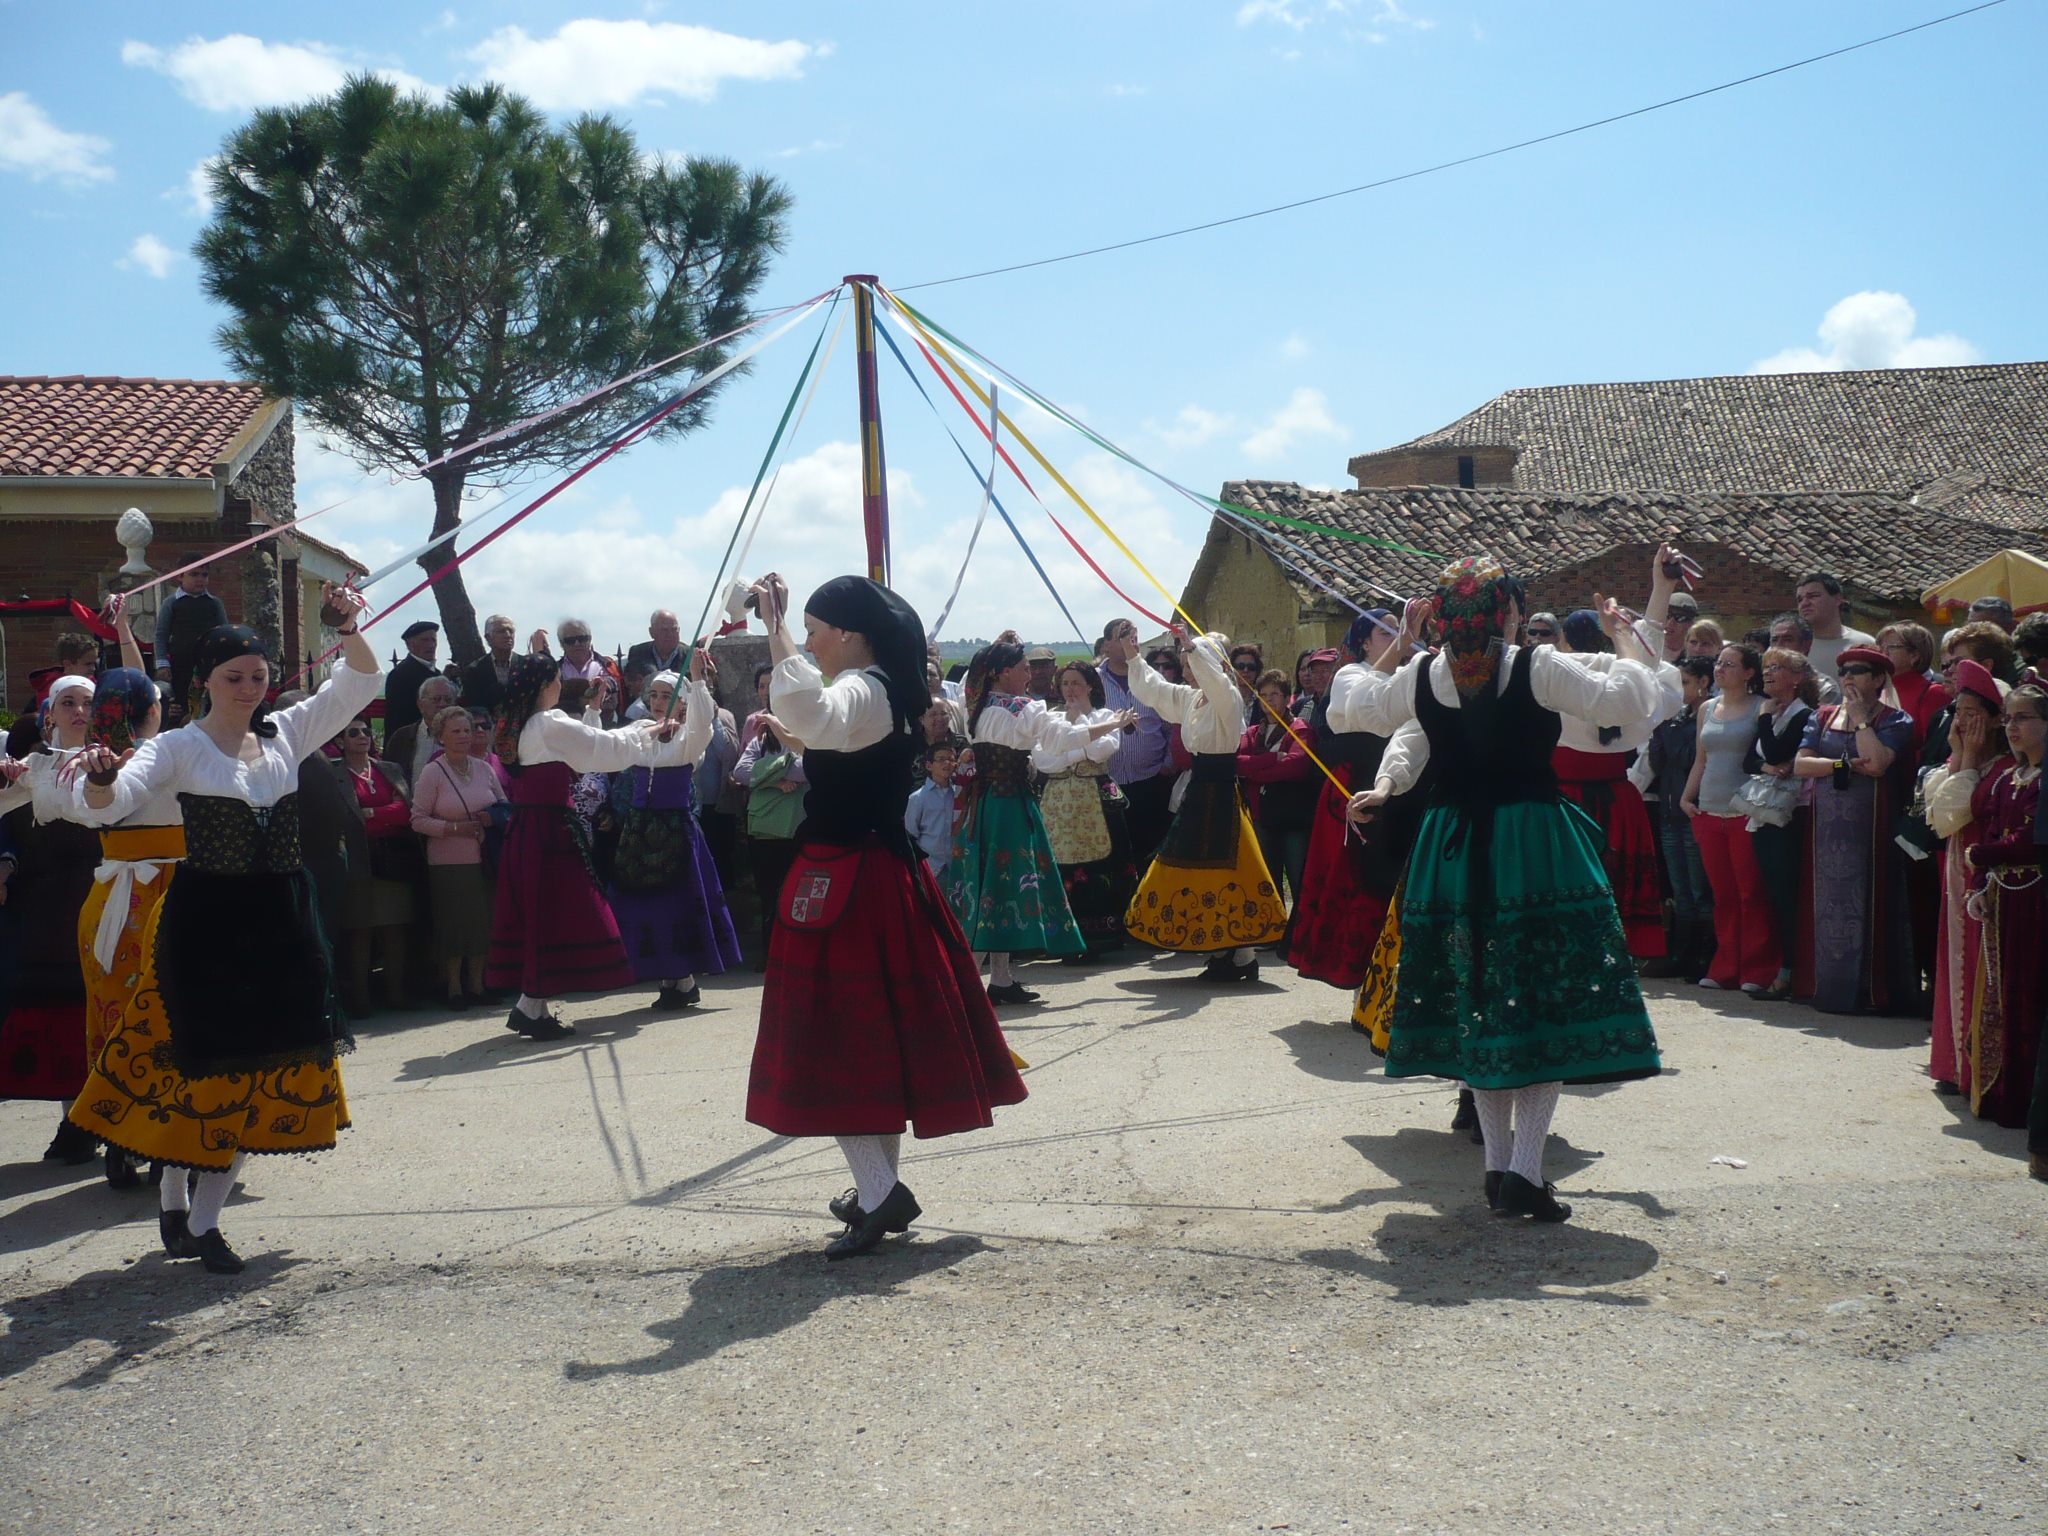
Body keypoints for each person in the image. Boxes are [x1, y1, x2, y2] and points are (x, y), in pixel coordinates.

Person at [1329, 558, 1664, 1222]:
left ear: (1442, 618)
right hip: (1530, 844)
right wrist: (1626, 639)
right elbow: (1629, 701)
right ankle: (1523, 1172)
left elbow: (1350, 704)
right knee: (1539, 1000)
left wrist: (1404, 640)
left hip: (1451, 849)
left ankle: (1500, 1171)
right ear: (1508, 612)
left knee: (1478, 996)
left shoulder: (1423, 674)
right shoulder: (1537, 666)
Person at [65, 595, 382, 1273]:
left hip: (282, 922)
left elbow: (361, 681)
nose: (248, 687)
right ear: (204, 680)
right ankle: (178, 1204)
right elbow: (115, 800)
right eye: (234, 676)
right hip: (208, 924)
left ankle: (199, 1219)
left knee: (262, 1075)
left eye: (257, 675)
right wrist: (101, 781)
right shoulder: (177, 746)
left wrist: (348, 626)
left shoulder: (287, 731)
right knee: (203, 1072)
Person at [746, 572, 1028, 1260]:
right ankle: (877, 1189)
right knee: (875, 1041)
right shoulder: (886, 691)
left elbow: (815, 714)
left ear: (848, 634)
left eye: (816, 632)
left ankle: (879, 1193)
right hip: (880, 875)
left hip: (848, 881)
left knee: (835, 1039)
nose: (810, 643)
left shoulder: (864, 689)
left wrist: (775, 629)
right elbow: (825, 732)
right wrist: (777, 633)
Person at [487, 651, 703, 1039]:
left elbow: (585, 750)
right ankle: (531, 1005)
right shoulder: (546, 723)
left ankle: (531, 1004)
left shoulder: (514, 724)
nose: (560, 685)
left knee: (543, 913)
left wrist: (594, 712)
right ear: (544, 686)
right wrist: (648, 730)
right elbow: (601, 750)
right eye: (556, 679)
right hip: (550, 832)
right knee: (566, 911)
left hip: (527, 830)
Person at [947, 637, 1131, 1002]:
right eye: (1023, 668)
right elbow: (1063, 737)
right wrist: (1111, 724)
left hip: (986, 804)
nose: (1030, 674)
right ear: (1004, 672)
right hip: (1010, 805)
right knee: (1000, 885)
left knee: (992, 883)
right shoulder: (1022, 707)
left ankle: (1000, 979)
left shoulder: (977, 705)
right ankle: (965, 986)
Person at [60, 669, 176, 1188]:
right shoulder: (175, 755)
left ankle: (119, 1138)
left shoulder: (85, 765)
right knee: (171, 1016)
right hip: (167, 893)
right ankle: (167, 1137)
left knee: (114, 1017)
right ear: (152, 710)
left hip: (109, 899)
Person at [1125, 629, 1288, 983]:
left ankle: (1237, 954)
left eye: (1192, 663)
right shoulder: (1192, 698)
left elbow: (1215, 679)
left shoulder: (1226, 694)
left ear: (1213, 664)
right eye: (1185, 664)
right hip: (1200, 791)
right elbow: (1155, 690)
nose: (1186, 671)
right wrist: (1132, 655)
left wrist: (1192, 647)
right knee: (1199, 868)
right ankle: (1230, 953)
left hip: (1221, 793)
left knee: (1226, 870)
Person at [1548, 558, 1685, 963]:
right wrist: (1660, 591)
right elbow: (1645, 667)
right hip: (1617, 801)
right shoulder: (1635, 682)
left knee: (1564, 891)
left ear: (1564, 641)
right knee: (1616, 890)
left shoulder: (1551, 677)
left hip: (1562, 803)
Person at [1290, 611, 1425, 991]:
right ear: (1364, 641)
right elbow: (1364, 705)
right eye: (1385, 632)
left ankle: (1385, 977)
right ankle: (1352, 973)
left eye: (1399, 630)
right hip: (1351, 787)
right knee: (1349, 877)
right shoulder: (1350, 674)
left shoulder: (1410, 674)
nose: (1396, 636)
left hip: (1397, 783)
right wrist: (1401, 645)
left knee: (1389, 880)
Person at [0, 675, 102, 1161]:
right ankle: (75, 1121)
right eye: (69, 703)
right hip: (51, 909)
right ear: (50, 715)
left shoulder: (114, 761)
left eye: (88, 703)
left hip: (105, 897)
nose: (79, 711)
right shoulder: (36, 767)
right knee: (64, 1016)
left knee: (107, 1011)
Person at [606, 667, 740, 1011]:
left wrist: (697, 679)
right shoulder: (640, 729)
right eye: (654, 695)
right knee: (644, 906)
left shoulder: (689, 738)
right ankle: (675, 980)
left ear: (682, 703)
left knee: (675, 906)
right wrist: (592, 710)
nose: (658, 701)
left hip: (675, 832)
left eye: (667, 696)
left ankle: (680, 978)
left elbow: (703, 721)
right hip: (639, 831)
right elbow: (609, 746)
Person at [1794, 645, 1917, 1014]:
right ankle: (1824, 986)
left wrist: (1862, 720)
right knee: (1824, 901)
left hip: (1872, 827)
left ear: (1878, 679)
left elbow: (1877, 764)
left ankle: (1869, 991)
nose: (1847, 677)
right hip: (1825, 829)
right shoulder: (1823, 715)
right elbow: (1801, 765)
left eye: (1858, 670)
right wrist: (1842, 765)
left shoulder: (1895, 720)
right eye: (1843, 670)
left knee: (1872, 898)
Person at [1961, 683, 2047, 1130]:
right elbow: (1993, 829)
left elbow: (2030, 840)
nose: (2013, 727)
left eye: (2025, 718)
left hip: (2036, 900)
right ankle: (2001, 1094)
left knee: (2030, 994)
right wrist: (1978, 887)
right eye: (2009, 718)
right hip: (2003, 899)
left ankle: (2028, 1101)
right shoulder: (2008, 778)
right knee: (2001, 994)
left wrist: (1981, 856)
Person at [1922, 660, 2006, 1095]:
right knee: (1955, 960)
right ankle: (1954, 1065)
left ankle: (1978, 1071)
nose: (1962, 722)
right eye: (1958, 712)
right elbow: (1938, 817)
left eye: (1973, 714)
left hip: (1988, 881)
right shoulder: (1960, 762)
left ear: (1995, 720)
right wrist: (1962, 757)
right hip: (1956, 875)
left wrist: (1968, 759)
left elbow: (1956, 811)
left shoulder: (2003, 767)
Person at [1682, 645, 1780, 995]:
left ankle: (1758, 970)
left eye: (1729, 664)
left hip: (1745, 812)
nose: (1720, 669)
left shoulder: (1761, 706)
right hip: (1707, 811)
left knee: (1751, 894)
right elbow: (1701, 759)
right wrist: (1686, 797)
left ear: (1750, 672)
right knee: (1722, 896)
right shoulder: (1706, 708)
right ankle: (1724, 968)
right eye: (1718, 663)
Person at [1034, 661, 1138, 959]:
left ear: (1090, 685)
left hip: (1095, 800)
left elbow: (1101, 751)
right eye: (1065, 683)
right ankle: (1060, 938)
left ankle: (1100, 936)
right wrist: (1077, 746)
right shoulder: (1050, 719)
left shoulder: (1104, 716)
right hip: (1058, 802)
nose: (1070, 689)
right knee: (1058, 862)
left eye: (1076, 683)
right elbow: (1043, 760)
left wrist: (1075, 730)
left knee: (1100, 864)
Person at [409, 704, 508, 1008]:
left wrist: (491, 818)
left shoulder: (485, 768)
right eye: (456, 731)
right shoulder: (432, 772)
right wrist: (454, 828)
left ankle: (478, 985)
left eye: (468, 729)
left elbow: (505, 807)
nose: (465, 735)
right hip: (448, 863)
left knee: (482, 922)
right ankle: (453, 987)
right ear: (441, 737)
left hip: (485, 859)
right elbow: (417, 820)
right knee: (454, 924)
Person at [1747, 648, 1821, 1001]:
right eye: (1766, 667)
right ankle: (1783, 968)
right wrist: (1766, 766)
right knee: (1773, 894)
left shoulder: (1802, 715)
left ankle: (1792, 972)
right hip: (1764, 811)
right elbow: (1750, 760)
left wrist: (1763, 719)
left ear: (1797, 677)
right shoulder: (1774, 712)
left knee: (1787, 895)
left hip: (1791, 815)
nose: (1768, 673)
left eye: (1776, 667)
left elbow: (1777, 751)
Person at [333, 714, 416, 1015]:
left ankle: (396, 995)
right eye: (353, 732)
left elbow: (405, 811)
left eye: (366, 731)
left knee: (395, 929)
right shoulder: (333, 773)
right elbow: (345, 818)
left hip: (392, 860)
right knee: (360, 932)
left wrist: (370, 813)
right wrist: (382, 813)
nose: (362, 736)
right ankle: (360, 999)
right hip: (357, 861)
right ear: (340, 742)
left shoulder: (389, 769)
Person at [1644, 656, 1715, 980]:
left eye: (1683, 683)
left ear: (1703, 682)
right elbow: (1658, 760)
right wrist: (1662, 723)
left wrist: (1669, 729)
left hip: (1693, 811)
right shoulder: (1674, 719)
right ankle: (1681, 954)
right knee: (1680, 890)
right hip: (1669, 812)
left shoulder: (1707, 716)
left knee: (1700, 891)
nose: (1677, 690)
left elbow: (1688, 758)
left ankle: (1704, 956)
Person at [1099, 617, 1177, 867]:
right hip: (1109, 783)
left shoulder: (1152, 679)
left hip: (1151, 781)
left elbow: (1170, 725)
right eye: (1122, 637)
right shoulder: (1093, 681)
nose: (1130, 643)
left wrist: (1167, 764)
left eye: (1133, 638)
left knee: (1151, 852)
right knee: (1116, 854)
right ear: (1106, 645)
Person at [1237, 668, 1315, 914]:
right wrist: (1272, 758)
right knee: (1267, 880)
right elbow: (1237, 763)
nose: (1268, 700)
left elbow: (1296, 765)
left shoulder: (1300, 729)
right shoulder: (1253, 732)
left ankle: (1299, 930)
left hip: (1292, 817)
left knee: (1298, 877)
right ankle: (1274, 926)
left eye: (1274, 694)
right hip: (1262, 815)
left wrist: (1255, 773)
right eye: (1263, 694)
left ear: (1286, 697)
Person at [734, 717, 806, 964]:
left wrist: (763, 775)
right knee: (768, 895)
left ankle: (795, 953)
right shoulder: (760, 743)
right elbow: (740, 772)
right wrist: (777, 781)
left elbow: (806, 770)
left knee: (795, 895)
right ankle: (771, 954)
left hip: (795, 830)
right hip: (764, 831)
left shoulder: (806, 741)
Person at [152, 565, 228, 722]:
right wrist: (162, 663)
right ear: (180, 576)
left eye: (204, 575)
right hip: (180, 665)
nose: (200, 579)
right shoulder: (172, 603)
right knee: (180, 706)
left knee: (207, 704)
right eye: (194, 574)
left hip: (208, 665)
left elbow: (224, 633)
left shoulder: (214, 603)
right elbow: (161, 635)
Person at [1794, 572, 1875, 685]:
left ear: (1837, 599)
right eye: (1800, 599)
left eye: (1813, 596)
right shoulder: (1790, 647)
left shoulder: (1865, 644)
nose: (1804, 603)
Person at [383, 674, 458, 789]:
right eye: (436, 699)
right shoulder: (402, 738)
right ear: (421, 704)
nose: (442, 704)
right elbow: (389, 777)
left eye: (448, 700)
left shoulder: (466, 736)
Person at [904, 743, 960, 878]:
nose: (947, 763)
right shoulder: (918, 798)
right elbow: (911, 835)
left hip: (956, 866)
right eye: (941, 759)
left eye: (951, 759)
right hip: (931, 867)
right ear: (929, 765)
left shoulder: (959, 795)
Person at [383, 620, 441, 740]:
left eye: (433, 640)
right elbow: (399, 717)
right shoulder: (401, 675)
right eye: (425, 640)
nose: (431, 645)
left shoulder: (436, 673)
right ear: (410, 645)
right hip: (412, 740)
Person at [1768, 612, 1843, 706]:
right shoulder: (1763, 683)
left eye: (1788, 640)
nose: (1779, 646)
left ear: (1806, 645)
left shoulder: (1824, 688)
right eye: (1774, 640)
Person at [460, 613, 522, 719]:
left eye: (511, 631)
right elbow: (473, 706)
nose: (508, 635)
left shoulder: (526, 665)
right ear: (488, 638)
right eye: (501, 631)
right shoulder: (474, 670)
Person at [623, 609, 688, 680]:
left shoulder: (690, 656)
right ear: (651, 632)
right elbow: (629, 681)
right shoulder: (637, 653)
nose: (670, 634)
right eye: (664, 630)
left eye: (674, 629)